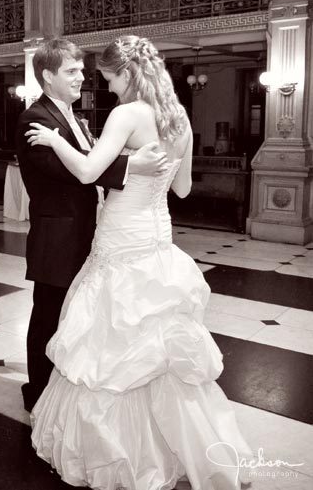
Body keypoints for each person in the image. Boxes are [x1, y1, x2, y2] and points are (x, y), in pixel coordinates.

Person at [24, 36, 251, 490]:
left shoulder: (126, 114)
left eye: (108, 77)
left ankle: (123, 450)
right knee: (156, 337)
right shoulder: (179, 117)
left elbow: (89, 172)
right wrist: (148, 167)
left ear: (126, 73)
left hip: (122, 235)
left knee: (113, 338)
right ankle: (180, 443)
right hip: (158, 235)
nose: (106, 87)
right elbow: (183, 189)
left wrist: (54, 139)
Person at [16, 38, 168, 415]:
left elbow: (87, 160)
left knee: (74, 318)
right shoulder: (35, 119)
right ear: (47, 76)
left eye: (81, 70)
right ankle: (37, 393)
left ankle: (62, 388)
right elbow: (73, 172)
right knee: (48, 316)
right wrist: (133, 167)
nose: (81, 77)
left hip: (88, 233)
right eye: (71, 71)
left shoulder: (73, 116)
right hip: (58, 237)